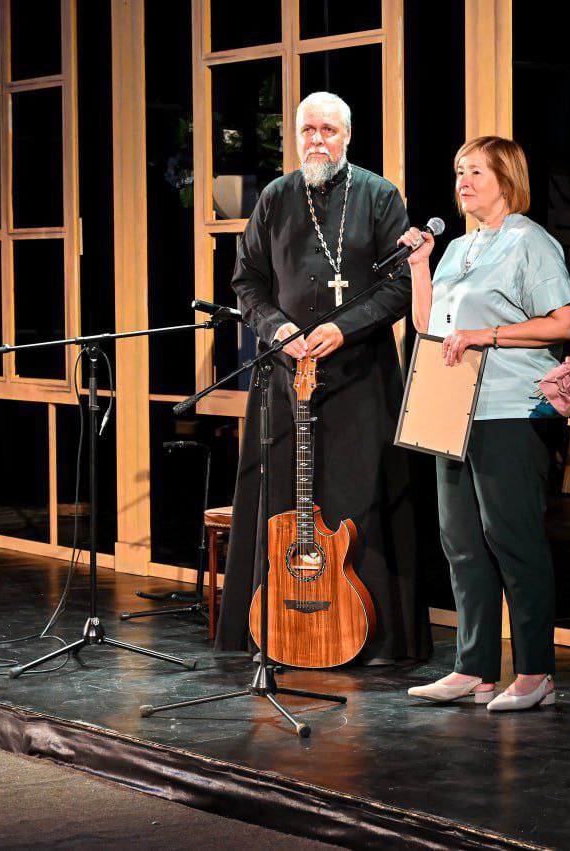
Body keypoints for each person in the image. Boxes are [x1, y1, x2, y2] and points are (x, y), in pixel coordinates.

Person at [215, 92, 431, 665]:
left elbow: (399, 286)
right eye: (307, 130)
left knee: (359, 499)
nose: (317, 140)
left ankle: (375, 639)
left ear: (347, 137)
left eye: (328, 130)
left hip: (360, 375)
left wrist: (344, 328)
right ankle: (276, 627)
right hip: (286, 376)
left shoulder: (380, 196)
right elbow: (247, 283)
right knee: (282, 493)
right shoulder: (275, 197)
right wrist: (278, 330)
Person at [399, 136, 570, 710]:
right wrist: (422, 267)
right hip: (452, 409)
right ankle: (473, 668)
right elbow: (430, 326)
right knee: (461, 542)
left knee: (513, 540)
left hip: (508, 408)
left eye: (476, 171)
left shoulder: (532, 242)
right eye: (458, 172)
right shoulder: (457, 248)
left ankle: (535, 673)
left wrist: (488, 335)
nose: (464, 182)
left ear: (507, 178)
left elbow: (565, 323)